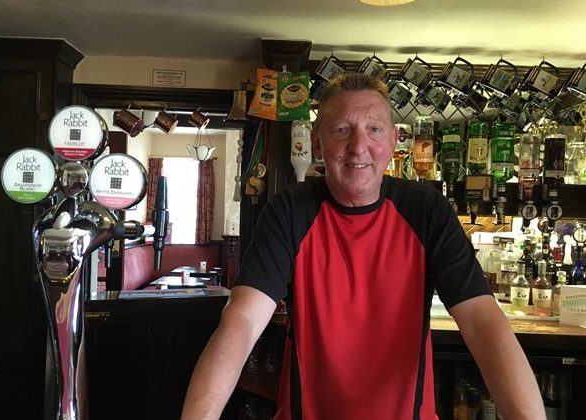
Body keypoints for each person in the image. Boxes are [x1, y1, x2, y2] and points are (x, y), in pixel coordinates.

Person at [181, 73, 545, 419]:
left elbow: (483, 323)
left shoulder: (425, 211)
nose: (358, 148)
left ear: (392, 140)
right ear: (317, 145)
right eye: (341, 130)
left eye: (373, 129)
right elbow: (242, 319)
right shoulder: (291, 211)